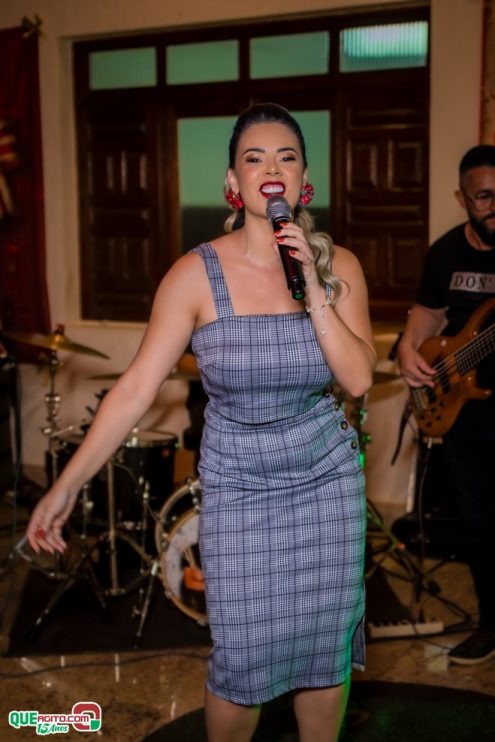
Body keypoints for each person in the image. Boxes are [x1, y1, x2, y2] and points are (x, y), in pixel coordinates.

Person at [27, 103, 376, 741]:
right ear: (233, 182)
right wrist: (66, 485)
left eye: (287, 157)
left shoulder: (340, 267)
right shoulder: (194, 276)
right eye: (254, 158)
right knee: (241, 663)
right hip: (239, 486)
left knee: (324, 654)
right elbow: (135, 389)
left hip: (326, 481)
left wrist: (314, 287)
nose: (272, 167)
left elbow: (356, 379)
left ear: (305, 182)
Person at [398, 144, 495, 666]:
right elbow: (427, 314)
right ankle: (490, 623)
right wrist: (408, 349)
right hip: (463, 409)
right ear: (463, 199)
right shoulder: (444, 254)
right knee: (479, 524)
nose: (494, 207)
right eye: (484, 197)